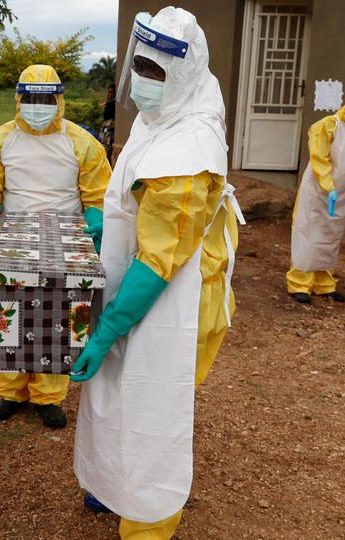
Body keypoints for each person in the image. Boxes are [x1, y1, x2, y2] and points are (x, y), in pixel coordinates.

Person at [71, 7, 244, 539]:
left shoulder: (188, 151)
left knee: (152, 404)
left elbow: (159, 259)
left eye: (156, 72)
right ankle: (114, 483)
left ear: (183, 74)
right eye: (139, 68)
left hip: (172, 296)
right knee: (118, 390)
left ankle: (148, 517)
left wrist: (105, 330)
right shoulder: (166, 111)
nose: (144, 82)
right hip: (138, 284)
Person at [0, 64, 111, 429]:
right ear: (19, 99)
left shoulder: (82, 142)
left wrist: (94, 227)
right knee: (6, 311)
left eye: (46, 99)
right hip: (11, 240)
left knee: (59, 314)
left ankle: (49, 396)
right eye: (31, 98)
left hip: (64, 241)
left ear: (59, 101)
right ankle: (10, 391)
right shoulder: (0, 140)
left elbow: (97, 194)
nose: (38, 106)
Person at [287, 86, 345, 304]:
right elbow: (319, 158)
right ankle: (299, 283)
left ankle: (324, 284)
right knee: (308, 233)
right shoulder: (327, 125)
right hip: (316, 190)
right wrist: (328, 186)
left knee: (330, 237)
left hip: (341, 192)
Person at [99, 83, 116, 162]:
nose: (109, 94)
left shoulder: (114, 104)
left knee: (108, 149)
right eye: (108, 92)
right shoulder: (108, 103)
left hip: (110, 128)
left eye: (111, 92)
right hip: (105, 127)